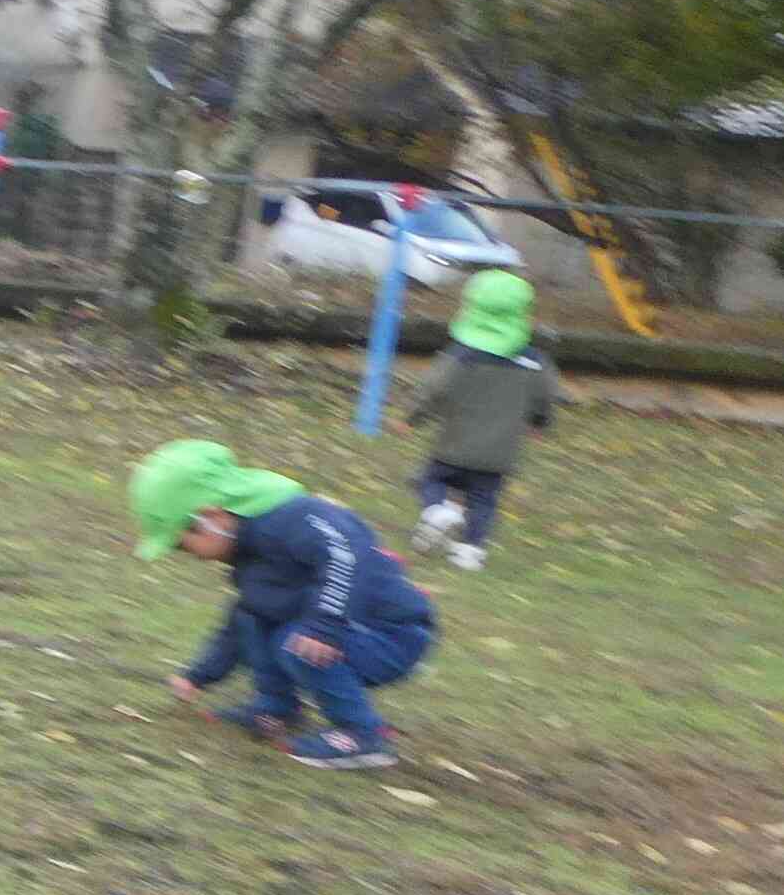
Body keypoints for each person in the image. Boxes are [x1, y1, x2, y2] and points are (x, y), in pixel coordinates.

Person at [136, 440, 441, 771]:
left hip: (390, 631)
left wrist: (325, 626)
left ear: (212, 517)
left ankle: (362, 734)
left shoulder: (295, 519)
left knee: (295, 644)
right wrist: (199, 676)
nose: (189, 555)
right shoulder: (249, 553)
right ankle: (276, 709)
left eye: (183, 544)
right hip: (346, 628)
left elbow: (345, 556)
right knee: (252, 616)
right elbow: (240, 623)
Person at [407, 266, 558, 571]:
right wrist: (540, 422)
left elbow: (434, 389)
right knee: (484, 500)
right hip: (499, 453)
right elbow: (544, 397)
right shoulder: (534, 361)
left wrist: (414, 416)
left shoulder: (461, 357)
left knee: (430, 479)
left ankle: (437, 512)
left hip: (454, 443)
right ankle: (470, 551)